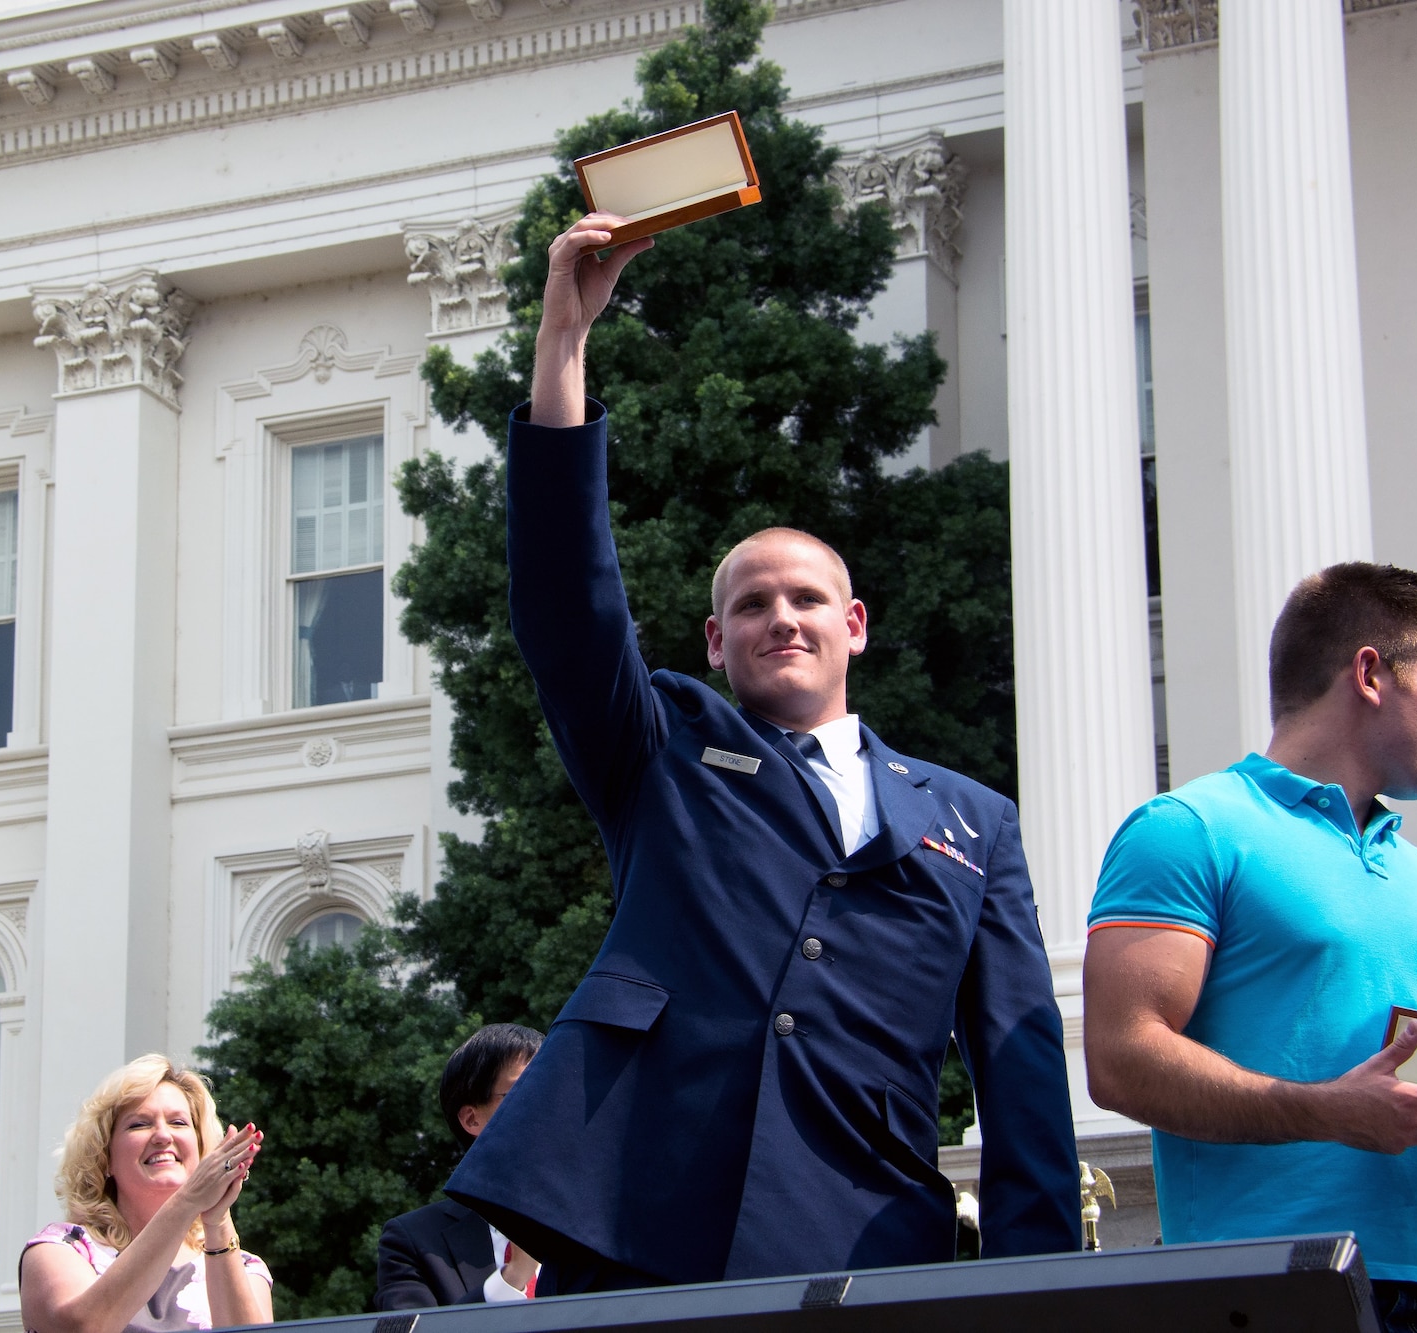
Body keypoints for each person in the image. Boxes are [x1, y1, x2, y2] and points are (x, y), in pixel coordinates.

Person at [443, 215, 1080, 1293]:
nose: (780, 618)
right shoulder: (667, 747)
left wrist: (1043, 1290)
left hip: (859, 1227)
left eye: (805, 598)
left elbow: (1017, 1066)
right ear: (712, 641)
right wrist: (563, 345)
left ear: (856, 624)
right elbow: (567, 604)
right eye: (749, 604)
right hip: (638, 1212)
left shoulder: (974, 820)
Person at [1085, 562, 1417, 1331]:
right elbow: (1120, 1057)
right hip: (1282, 1288)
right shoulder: (1189, 830)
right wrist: (1328, 1112)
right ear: (1371, 672)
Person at [20, 1056, 271, 1333]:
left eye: (178, 1122)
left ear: (202, 1151)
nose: (163, 1136)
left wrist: (218, 1217)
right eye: (139, 1124)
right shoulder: (62, 1249)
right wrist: (188, 1201)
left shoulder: (245, 1267)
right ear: (105, 1159)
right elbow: (81, 1328)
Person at [375, 1024, 544, 1309]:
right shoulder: (413, 1243)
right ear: (472, 1119)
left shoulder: (604, 1228)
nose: (547, 1105)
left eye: (553, 1088)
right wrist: (513, 1278)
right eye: (527, 1090)